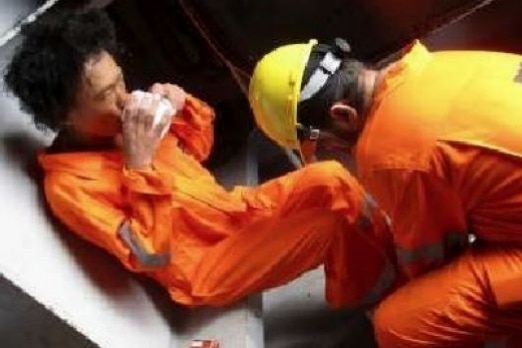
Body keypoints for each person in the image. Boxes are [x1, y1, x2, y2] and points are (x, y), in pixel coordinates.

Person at [4, 9, 396, 309]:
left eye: (120, 80)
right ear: (64, 115)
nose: (124, 97)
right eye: (106, 94)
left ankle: (392, 257)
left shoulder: (122, 120)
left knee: (330, 176)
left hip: (229, 212)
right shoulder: (69, 187)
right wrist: (139, 164)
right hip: (207, 264)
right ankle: (378, 296)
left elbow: (201, 149)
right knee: (329, 228)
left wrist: (181, 105)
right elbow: (149, 254)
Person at [249, 38, 522, 346]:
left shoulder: (392, 153)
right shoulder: (429, 66)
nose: (330, 154)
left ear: (343, 115)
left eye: (323, 146)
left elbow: (433, 257)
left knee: (401, 324)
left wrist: (406, 292)